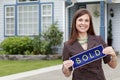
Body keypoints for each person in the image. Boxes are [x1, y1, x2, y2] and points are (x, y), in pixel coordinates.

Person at [62, 8, 117, 80]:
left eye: (86, 20)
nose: (83, 23)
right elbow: (67, 74)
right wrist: (65, 68)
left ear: (90, 23)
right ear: (75, 22)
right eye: (80, 20)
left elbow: (113, 65)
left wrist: (114, 56)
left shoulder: (98, 40)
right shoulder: (68, 45)